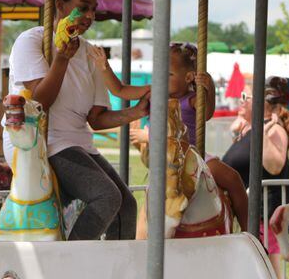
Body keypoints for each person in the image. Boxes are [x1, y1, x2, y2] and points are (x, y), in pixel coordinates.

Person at [2, 0, 148, 241]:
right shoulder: (31, 41)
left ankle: (116, 270)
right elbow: (40, 102)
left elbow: (96, 118)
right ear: (60, 5)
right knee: (106, 197)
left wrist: (135, 112)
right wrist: (61, 59)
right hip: (43, 140)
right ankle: (69, 260)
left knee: (126, 205)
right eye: (83, 7)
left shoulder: (90, 52)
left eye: (93, 9)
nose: (90, 16)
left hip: (76, 142)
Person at [91, 42, 249, 232]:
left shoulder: (191, 99)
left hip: (192, 157)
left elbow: (205, 114)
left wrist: (210, 89)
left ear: (188, 77)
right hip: (167, 158)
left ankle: (250, 230)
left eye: (169, 74)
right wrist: (104, 67)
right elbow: (120, 90)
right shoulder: (153, 93)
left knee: (233, 178)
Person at [223, 82, 289, 277]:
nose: (240, 100)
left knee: (268, 270)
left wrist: (261, 134)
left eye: (245, 97)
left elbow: (274, 165)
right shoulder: (252, 129)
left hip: (262, 213)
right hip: (246, 212)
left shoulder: (273, 130)